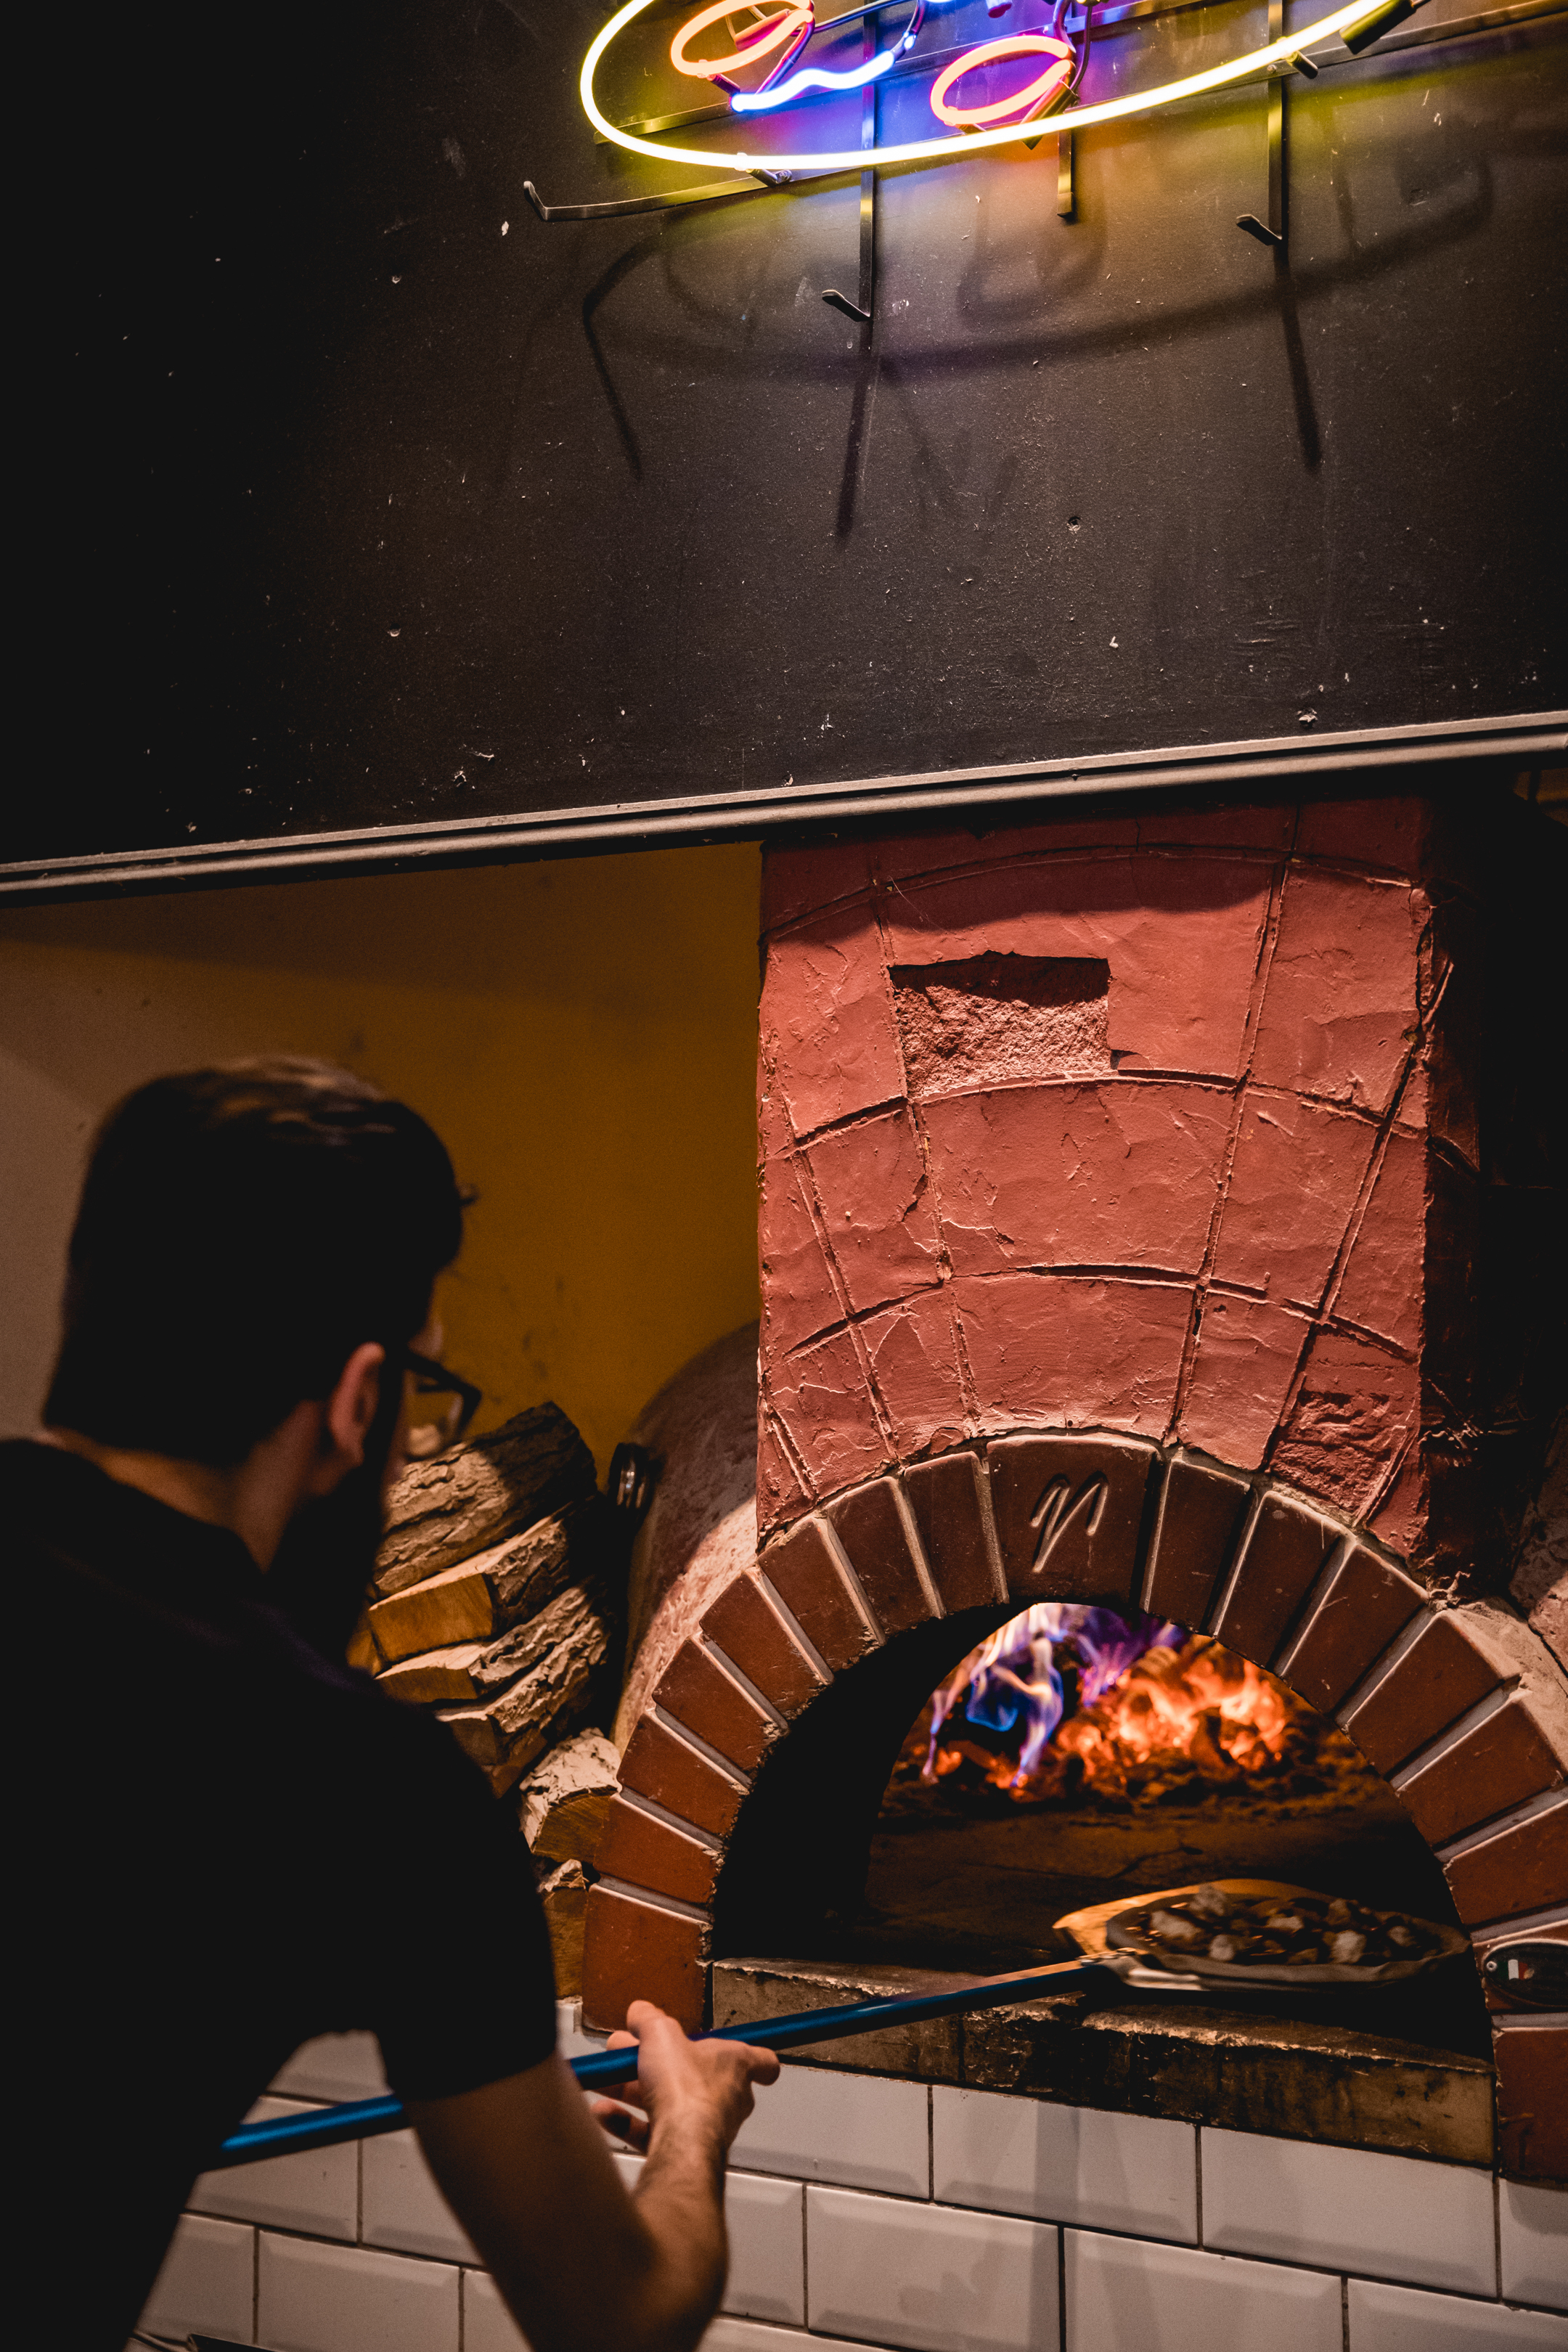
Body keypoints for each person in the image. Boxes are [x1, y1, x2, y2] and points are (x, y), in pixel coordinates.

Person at [16, 1057, 777, 2351]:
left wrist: (486, 2091)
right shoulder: (367, 1791)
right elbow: (624, 2315)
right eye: (424, 1389)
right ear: (359, 1400)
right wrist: (691, 2124)